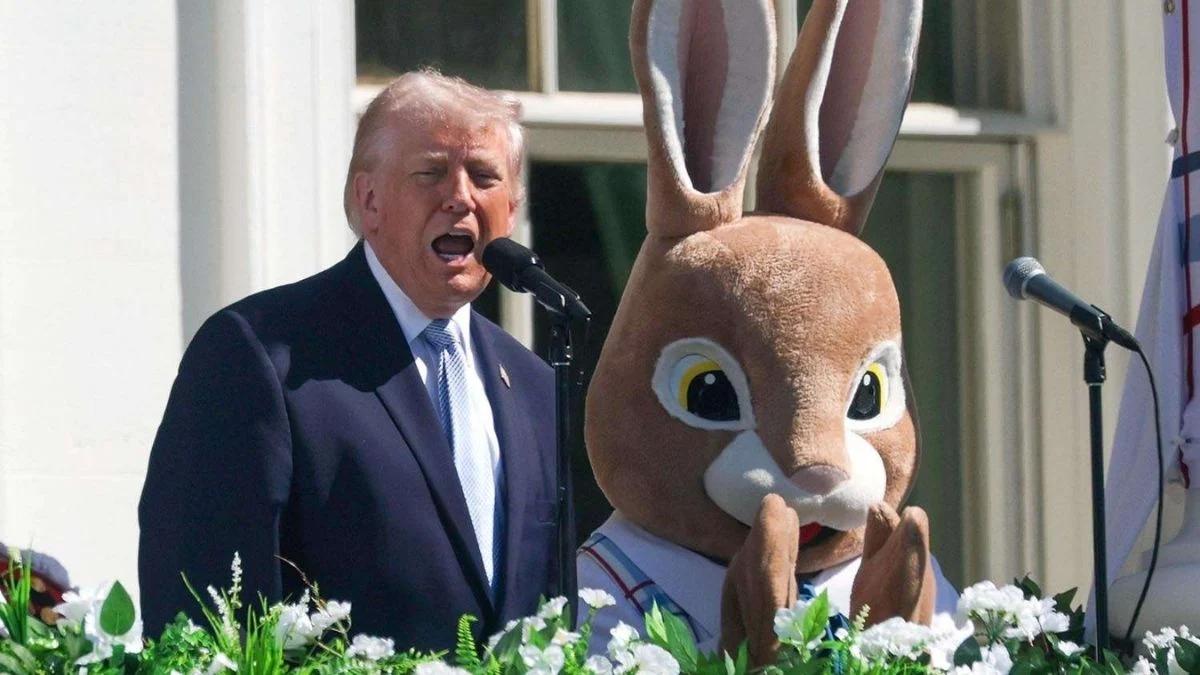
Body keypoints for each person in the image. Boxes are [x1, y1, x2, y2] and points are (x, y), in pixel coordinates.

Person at [138, 70, 557, 651]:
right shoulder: (261, 354)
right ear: (369, 200)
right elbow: (200, 619)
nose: (460, 196)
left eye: (484, 177)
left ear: (510, 210)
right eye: (431, 172)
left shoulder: (535, 385)